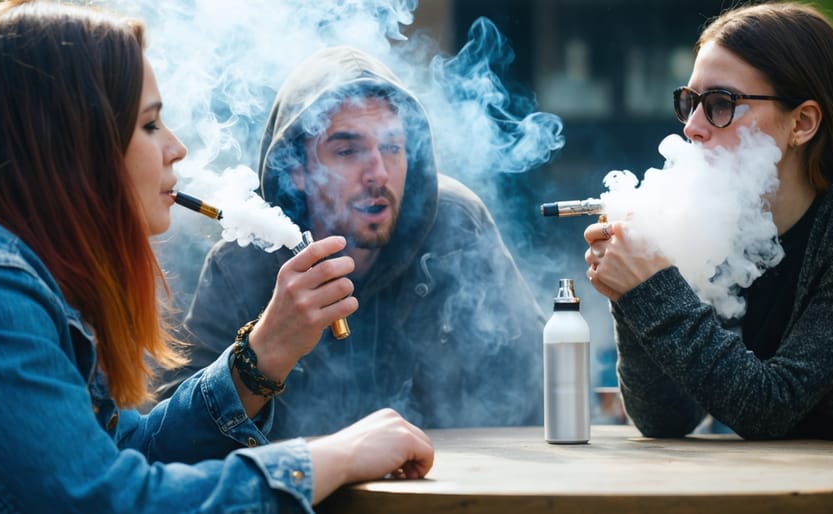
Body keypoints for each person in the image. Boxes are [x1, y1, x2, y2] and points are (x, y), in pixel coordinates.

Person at [0, 1, 434, 512]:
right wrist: (334, 456)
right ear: (69, 143)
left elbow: (130, 453)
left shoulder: (13, 271)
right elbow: (105, 502)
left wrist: (261, 355)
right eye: (151, 124)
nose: (176, 148)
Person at [157, 46, 545, 439]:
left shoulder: (456, 229)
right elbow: (172, 438)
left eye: (393, 147)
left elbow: (541, 384)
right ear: (296, 170)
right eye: (348, 150)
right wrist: (263, 349)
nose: (378, 172)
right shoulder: (241, 266)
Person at [585, 2, 833, 440]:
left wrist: (653, 286)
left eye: (721, 104)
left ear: (801, 123)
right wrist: (632, 285)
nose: (693, 127)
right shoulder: (721, 225)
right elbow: (666, 418)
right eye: (689, 103)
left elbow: (770, 407)